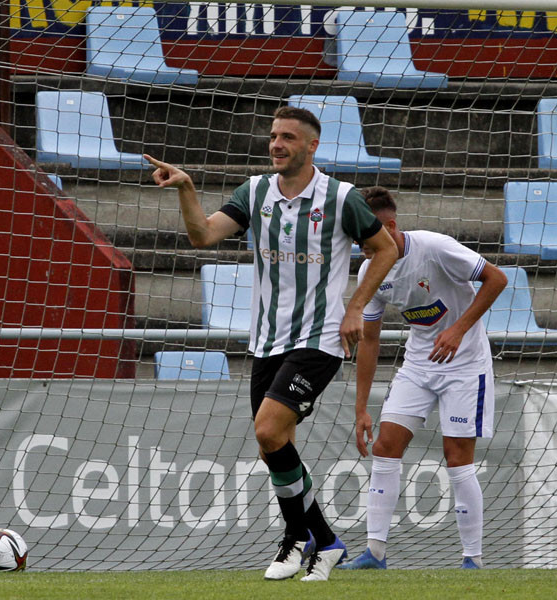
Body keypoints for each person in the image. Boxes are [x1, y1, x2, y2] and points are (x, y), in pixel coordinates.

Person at [144, 106, 398, 582]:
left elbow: (386, 248)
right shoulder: (255, 191)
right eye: (273, 136)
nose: (276, 144)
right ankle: (325, 541)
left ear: (311, 146)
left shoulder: (341, 198)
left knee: (266, 431)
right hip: (266, 339)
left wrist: (356, 306)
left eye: (287, 137)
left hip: (320, 338)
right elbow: (202, 236)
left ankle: (298, 538)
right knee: (274, 445)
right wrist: (186, 189)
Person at [336, 186, 507, 570]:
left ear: (391, 225)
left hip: (465, 365)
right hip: (418, 364)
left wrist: (459, 329)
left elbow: (496, 279)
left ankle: (472, 560)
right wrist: (361, 407)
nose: (363, 246)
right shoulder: (370, 270)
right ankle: (375, 554)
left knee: (457, 457)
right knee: (385, 447)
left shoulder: (436, 247)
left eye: (368, 235)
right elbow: (371, 338)